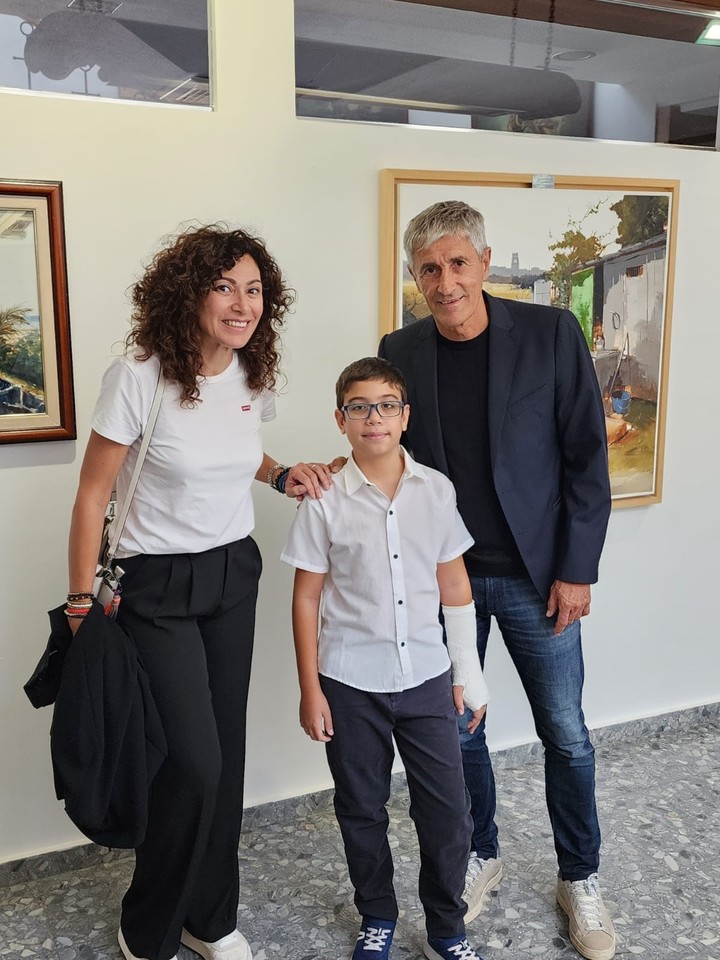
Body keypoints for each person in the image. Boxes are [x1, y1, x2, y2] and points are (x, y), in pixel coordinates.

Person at [66, 224, 332, 960]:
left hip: (231, 576)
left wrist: (280, 475)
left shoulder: (251, 374)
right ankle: (146, 922)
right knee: (193, 761)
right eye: (225, 287)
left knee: (227, 758)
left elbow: (236, 453)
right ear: (189, 293)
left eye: (253, 290)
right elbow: (92, 495)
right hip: (155, 584)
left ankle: (209, 917)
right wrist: (80, 602)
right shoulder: (140, 374)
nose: (241, 303)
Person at [378, 201, 614, 960]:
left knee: (567, 736)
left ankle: (579, 876)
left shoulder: (549, 334)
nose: (444, 282)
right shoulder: (400, 348)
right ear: (417, 279)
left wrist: (577, 569)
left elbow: (585, 458)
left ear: (482, 263)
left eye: (456, 263)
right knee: (456, 732)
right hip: (447, 582)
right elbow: (390, 453)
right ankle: (481, 850)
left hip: (537, 577)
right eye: (429, 270)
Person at [282, 357, 489, 960]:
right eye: (360, 407)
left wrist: (467, 674)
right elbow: (306, 596)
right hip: (349, 682)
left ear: (405, 415)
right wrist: (310, 689)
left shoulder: (436, 491)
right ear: (340, 419)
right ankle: (377, 914)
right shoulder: (323, 499)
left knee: (448, 812)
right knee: (360, 808)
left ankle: (448, 928)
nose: (375, 418)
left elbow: (454, 588)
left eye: (387, 405)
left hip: (426, 677)